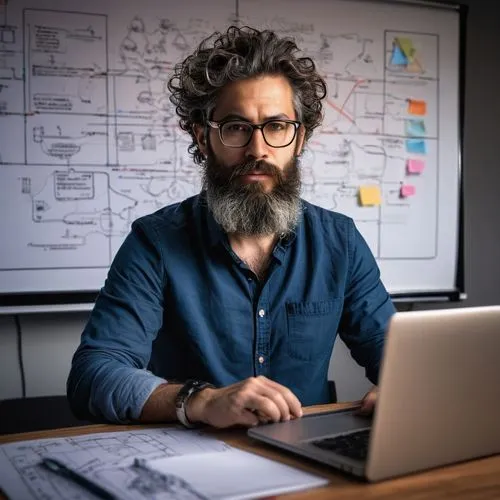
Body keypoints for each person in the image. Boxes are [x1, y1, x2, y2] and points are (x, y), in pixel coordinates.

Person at [67, 26, 395, 429]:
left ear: (299, 138)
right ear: (204, 138)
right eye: (237, 127)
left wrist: (404, 386)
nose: (258, 150)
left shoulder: (339, 241)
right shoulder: (155, 242)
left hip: (312, 457)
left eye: (277, 127)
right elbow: (94, 374)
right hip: (192, 465)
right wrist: (199, 401)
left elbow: (395, 357)